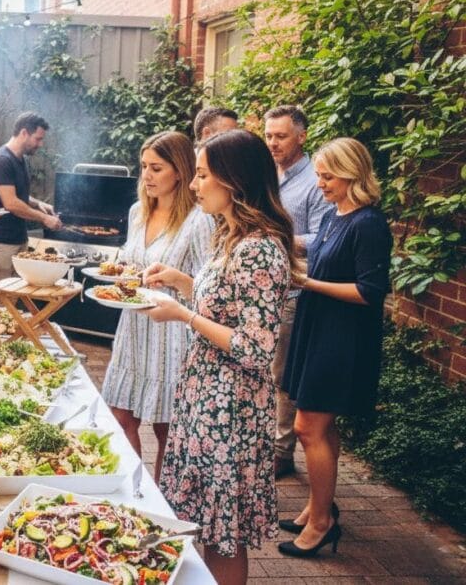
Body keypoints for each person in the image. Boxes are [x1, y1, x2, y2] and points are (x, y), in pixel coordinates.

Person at [142, 129, 295, 585]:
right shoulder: (232, 235)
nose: (194, 184)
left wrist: (184, 316)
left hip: (230, 409)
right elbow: (227, 303)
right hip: (205, 399)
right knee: (207, 524)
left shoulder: (260, 248)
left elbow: (255, 346)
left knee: (224, 534)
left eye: (203, 175)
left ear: (234, 180)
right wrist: (182, 282)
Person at [279, 137, 391, 558]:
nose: (320, 182)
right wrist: (294, 268)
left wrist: (307, 282)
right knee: (322, 427)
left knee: (308, 427)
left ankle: (323, 523)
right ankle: (317, 506)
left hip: (342, 337)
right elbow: (322, 265)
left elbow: (369, 291)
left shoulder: (368, 224)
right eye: (321, 174)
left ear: (352, 174)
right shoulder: (333, 218)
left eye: (328, 175)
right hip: (317, 327)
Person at [101, 131, 213, 483]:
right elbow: (129, 266)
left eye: (157, 168)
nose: (146, 176)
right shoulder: (138, 212)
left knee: (168, 433)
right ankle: (135, 492)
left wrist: (177, 279)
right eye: (144, 167)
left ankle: (165, 504)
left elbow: (211, 292)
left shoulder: (199, 221)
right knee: (119, 419)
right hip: (132, 329)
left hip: (172, 337)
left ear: (179, 171)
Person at [263, 105, 333, 479]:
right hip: (262, 288)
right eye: (269, 135)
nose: (273, 142)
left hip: (293, 293)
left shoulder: (315, 182)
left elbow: (324, 239)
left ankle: (281, 451)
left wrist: (275, 237)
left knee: (280, 375)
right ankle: (262, 443)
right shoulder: (266, 173)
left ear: (301, 137)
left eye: (281, 136)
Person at [0, 112, 62, 279]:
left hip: (18, 240)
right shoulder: (1, 160)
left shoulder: (20, 159)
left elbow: (17, 194)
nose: (40, 144)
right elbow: (10, 203)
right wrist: (44, 218)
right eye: (38, 139)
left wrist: (38, 203)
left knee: (15, 297)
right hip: (1, 242)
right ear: (24, 133)